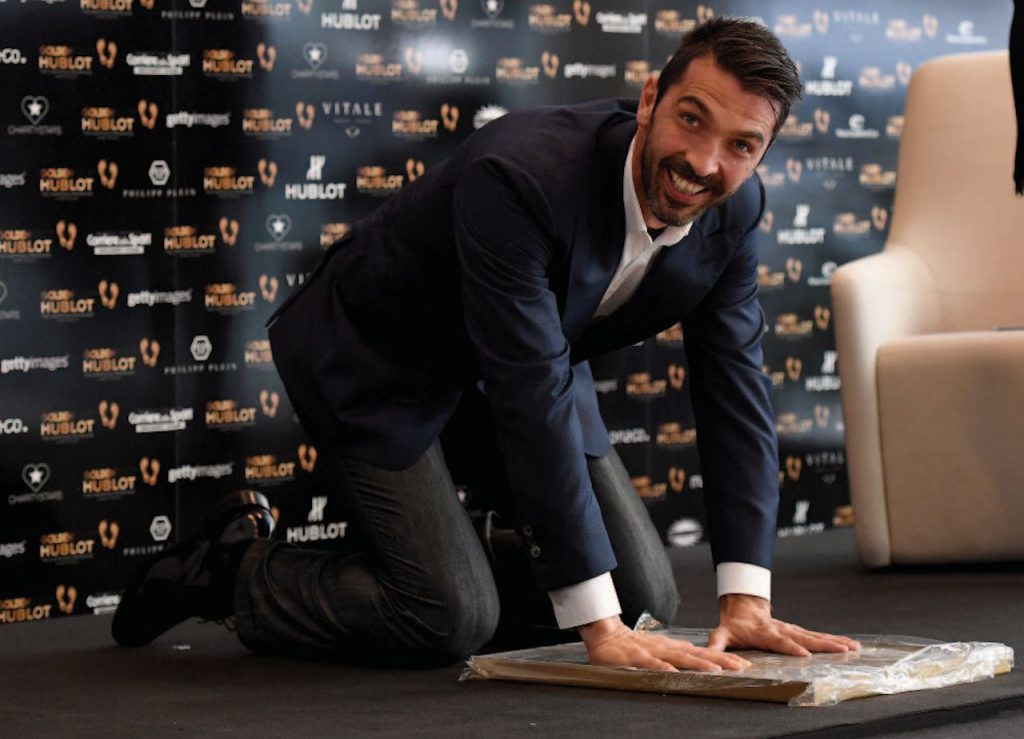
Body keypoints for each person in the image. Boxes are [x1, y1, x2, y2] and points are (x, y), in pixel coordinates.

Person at [113, 18, 860, 671]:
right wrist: (596, 629)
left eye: (741, 145)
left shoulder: (735, 211)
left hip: (520, 363)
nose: (703, 161)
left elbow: (735, 392)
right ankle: (232, 567)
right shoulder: (523, 175)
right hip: (383, 356)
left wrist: (745, 600)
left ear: (761, 155)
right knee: (447, 616)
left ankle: (457, 556)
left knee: (643, 602)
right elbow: (529, 391)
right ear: (648, 102)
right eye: (691, 119)